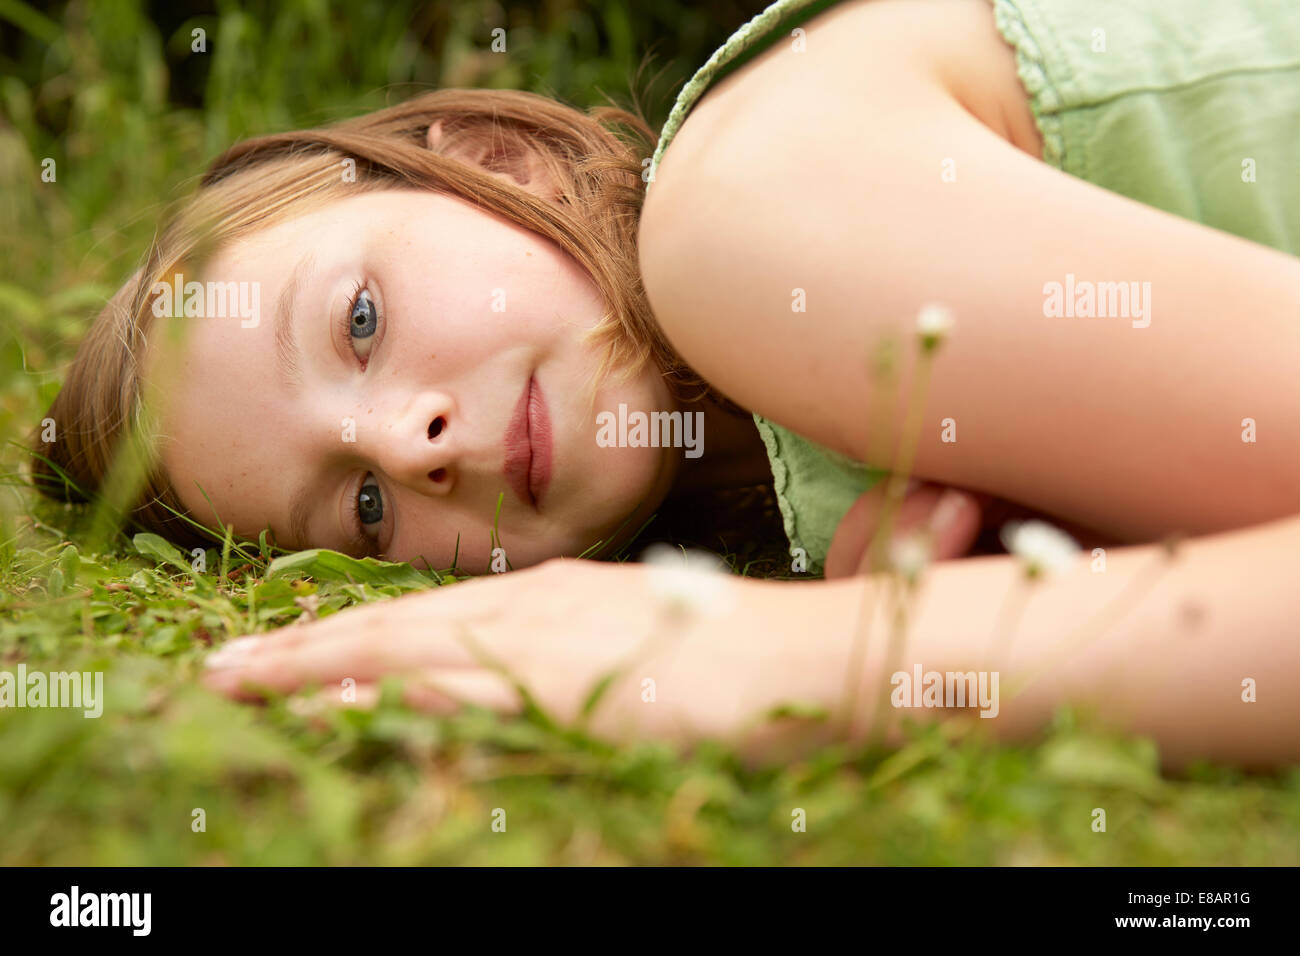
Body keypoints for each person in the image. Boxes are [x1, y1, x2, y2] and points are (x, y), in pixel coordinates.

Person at [33, 0, 1300, 764]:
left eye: (360, 321)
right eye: (362, 507)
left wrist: (829, 659)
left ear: (501, 161)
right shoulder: (831, 477)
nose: (410, 443)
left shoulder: (751, 208)